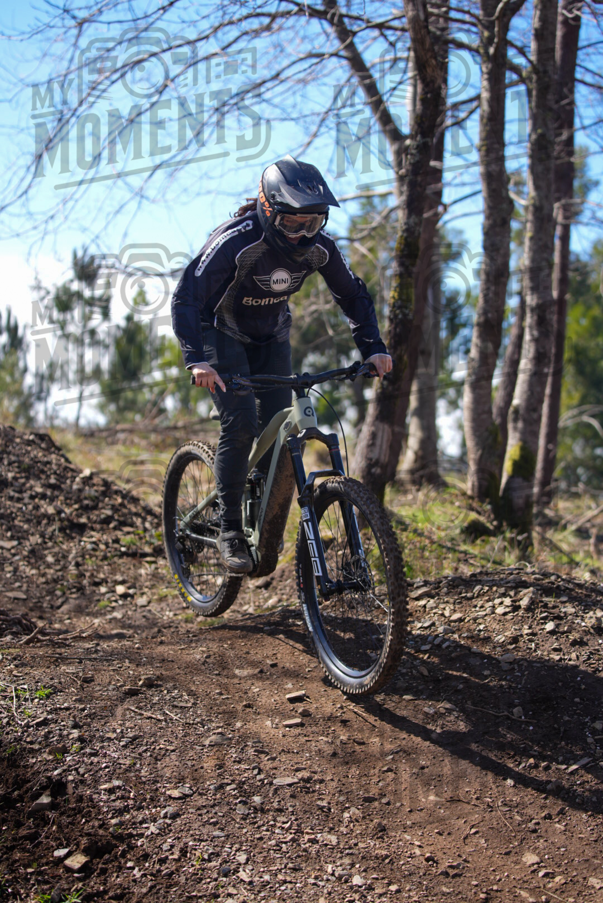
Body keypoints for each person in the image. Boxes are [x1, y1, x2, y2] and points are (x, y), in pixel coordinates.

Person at [171, 155, 392, 574]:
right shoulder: (237, 240)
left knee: (277, 426)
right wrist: (196, 359)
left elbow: (353, 296)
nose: (302, 234)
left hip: (272, 335)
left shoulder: (321, 250)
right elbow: (187, 296)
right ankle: (230, 528)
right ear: (269, 209)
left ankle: (254, 495)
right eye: (293, 223)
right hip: (220, 331)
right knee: (239, 422)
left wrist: (373, 348)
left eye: (313, 223)